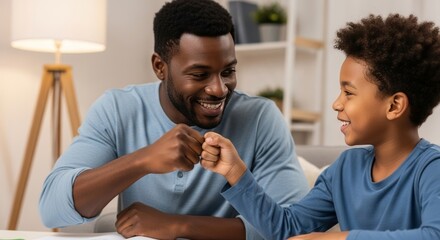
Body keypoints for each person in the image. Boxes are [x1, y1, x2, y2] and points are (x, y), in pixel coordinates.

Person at [39, 0, 309, 239]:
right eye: (200, 74)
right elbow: (52, 209)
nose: (219, 89)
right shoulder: (117, 108)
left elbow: (294, 227)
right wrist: (144, 160)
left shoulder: (261, 118)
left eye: (228, 71)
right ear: (160, 67)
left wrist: (177, 226)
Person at [201, 13, 440, 240]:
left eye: (348, 92)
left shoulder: (432, 169)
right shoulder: (345, 169)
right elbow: (287, 229)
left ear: (394, 106)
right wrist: (235, 172)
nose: (336, 103)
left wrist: (340, 238)